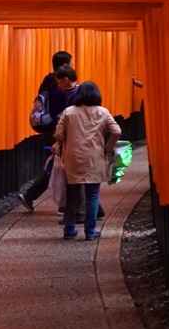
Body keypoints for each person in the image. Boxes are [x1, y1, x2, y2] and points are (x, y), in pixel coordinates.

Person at [53, 80, 120, 239]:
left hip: (73, 157)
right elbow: (116, 131)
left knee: (72, 195)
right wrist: (108, 148)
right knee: (92, 196)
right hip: (95, 157)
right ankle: (90, 232)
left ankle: (69, 230)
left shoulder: (69, 112)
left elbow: (58, 134)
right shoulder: (103, 112)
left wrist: (64, 143)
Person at [19, 66, 78, 211]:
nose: (59, 84)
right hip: (57, 133)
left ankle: (31, 195)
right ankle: (64, 206)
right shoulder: (65, 92)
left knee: (55, 166)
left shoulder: (46, 85)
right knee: (61, 167)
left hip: (48, 130)